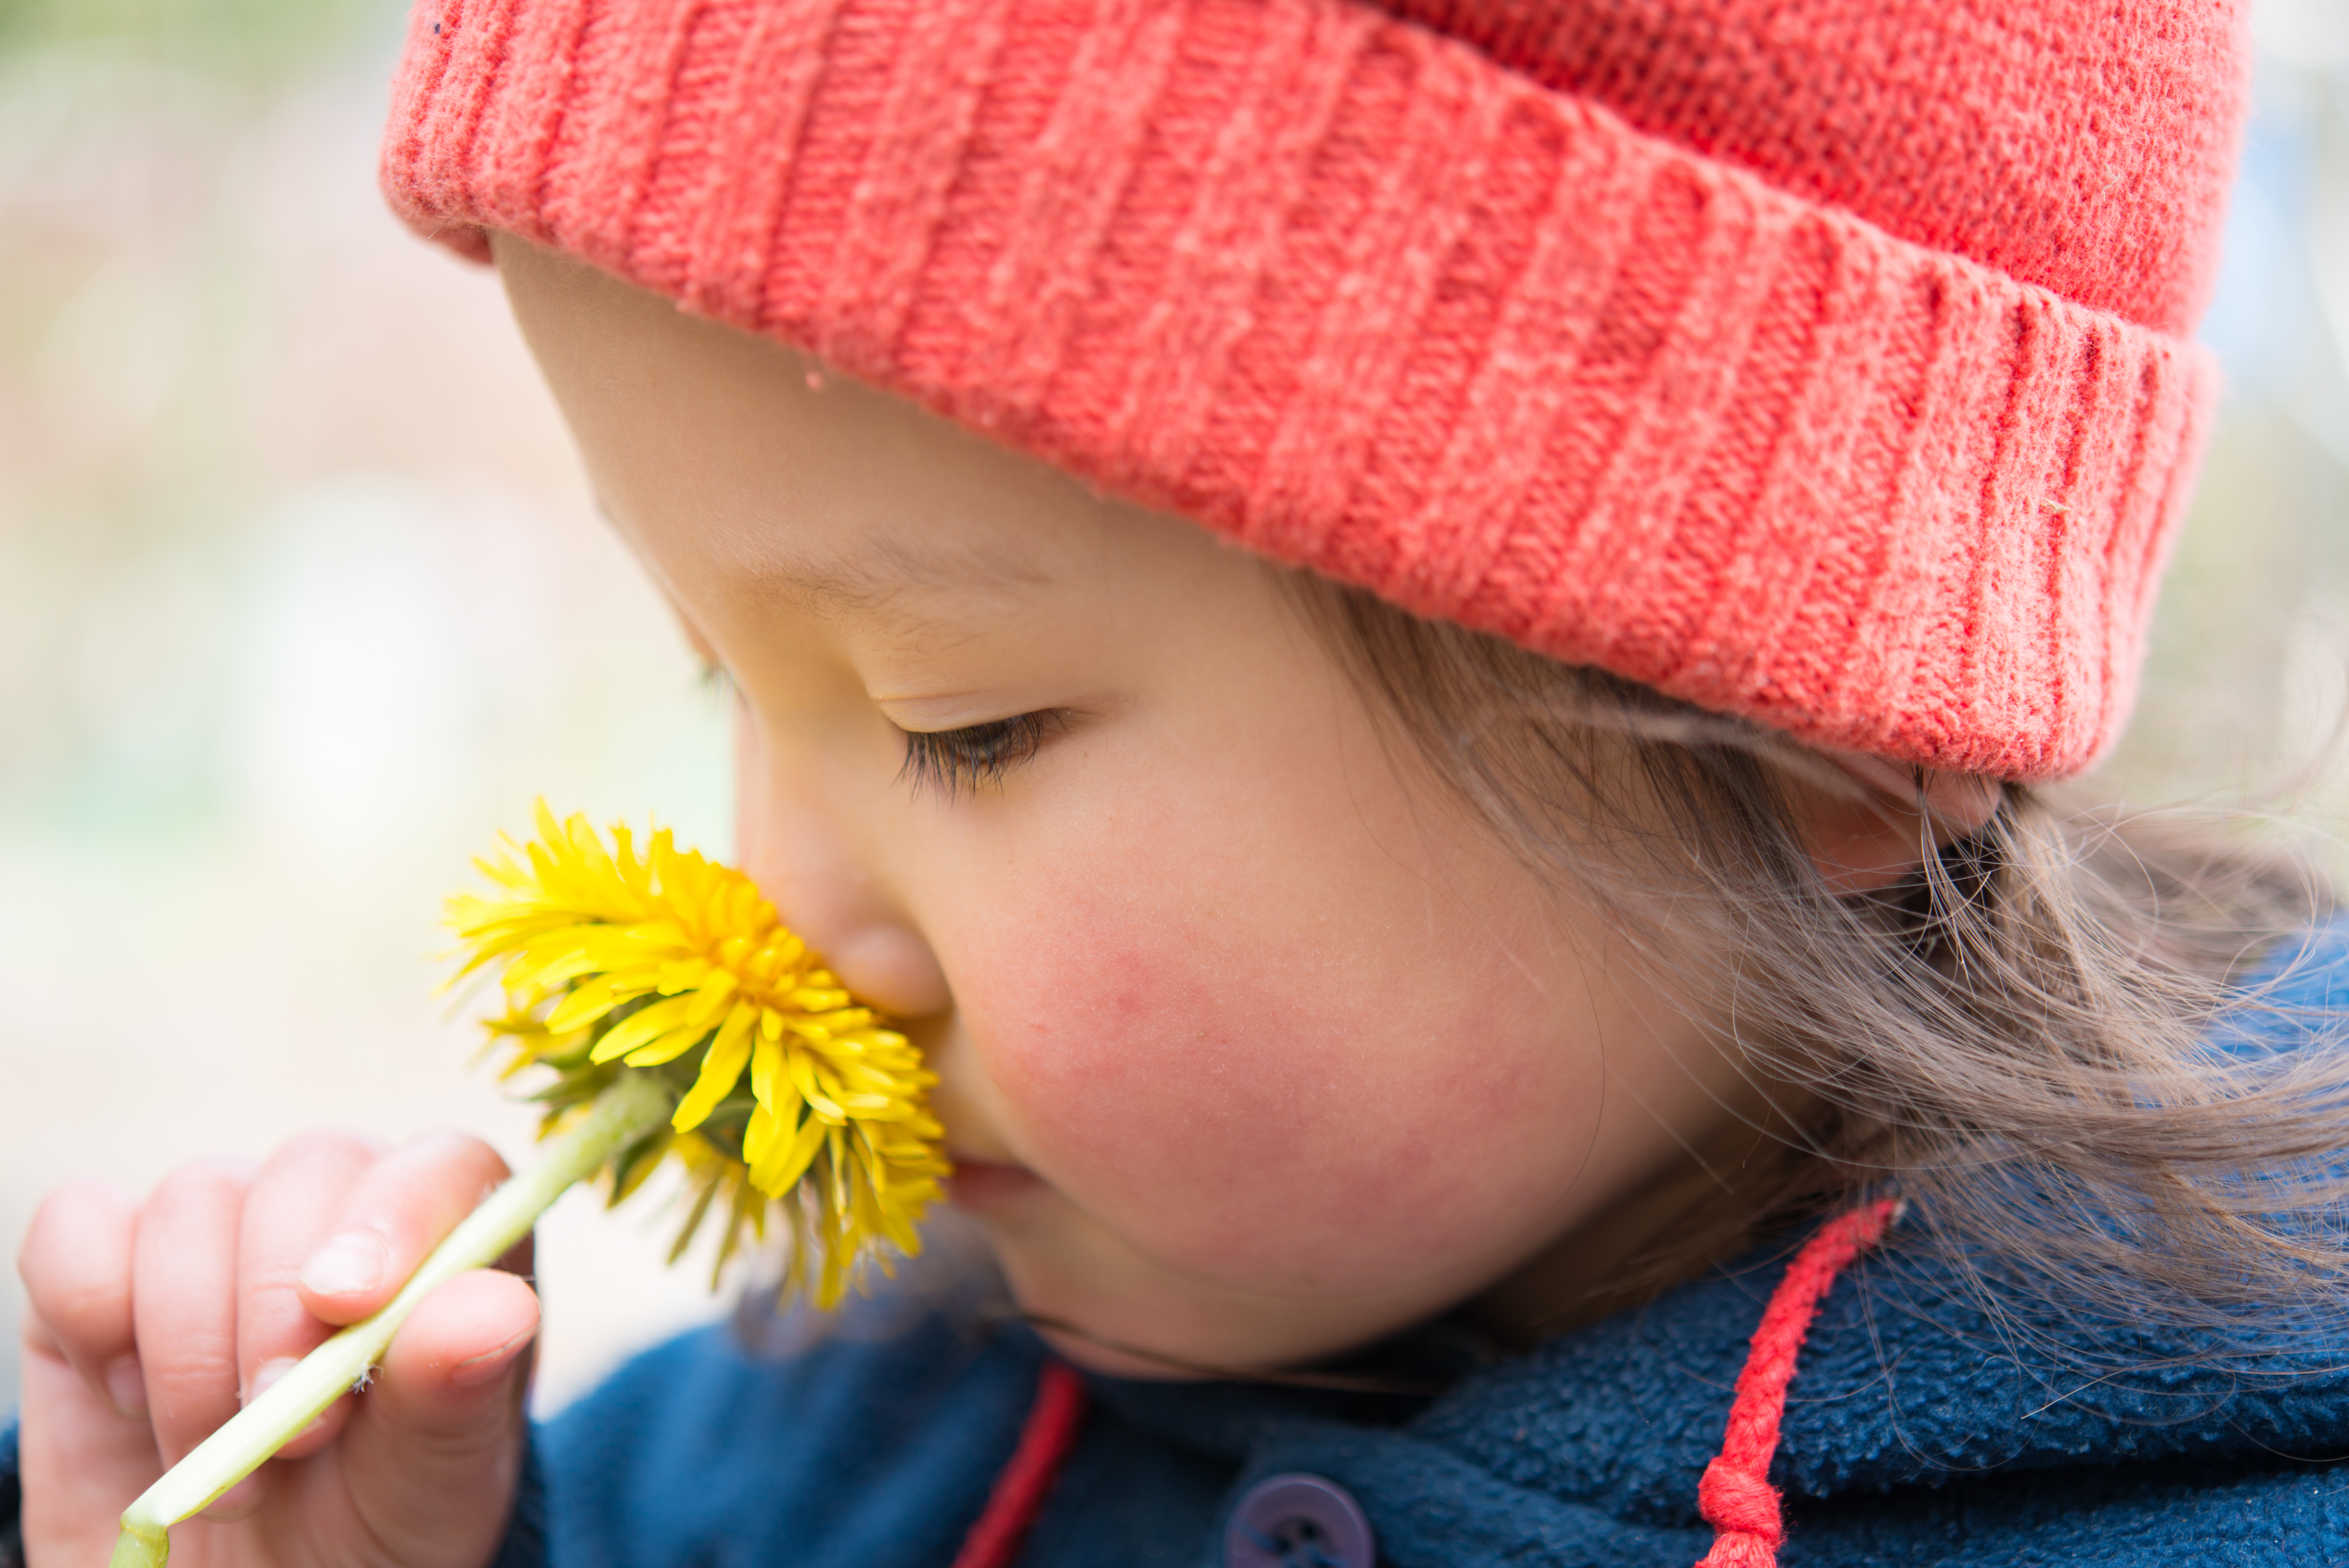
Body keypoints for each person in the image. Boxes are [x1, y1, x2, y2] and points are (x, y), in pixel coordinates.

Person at [12, 0, 2349, 1562]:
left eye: (963, 720)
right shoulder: (816, 1452)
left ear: (1824, 716)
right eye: (715, 671)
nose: (771, 900)